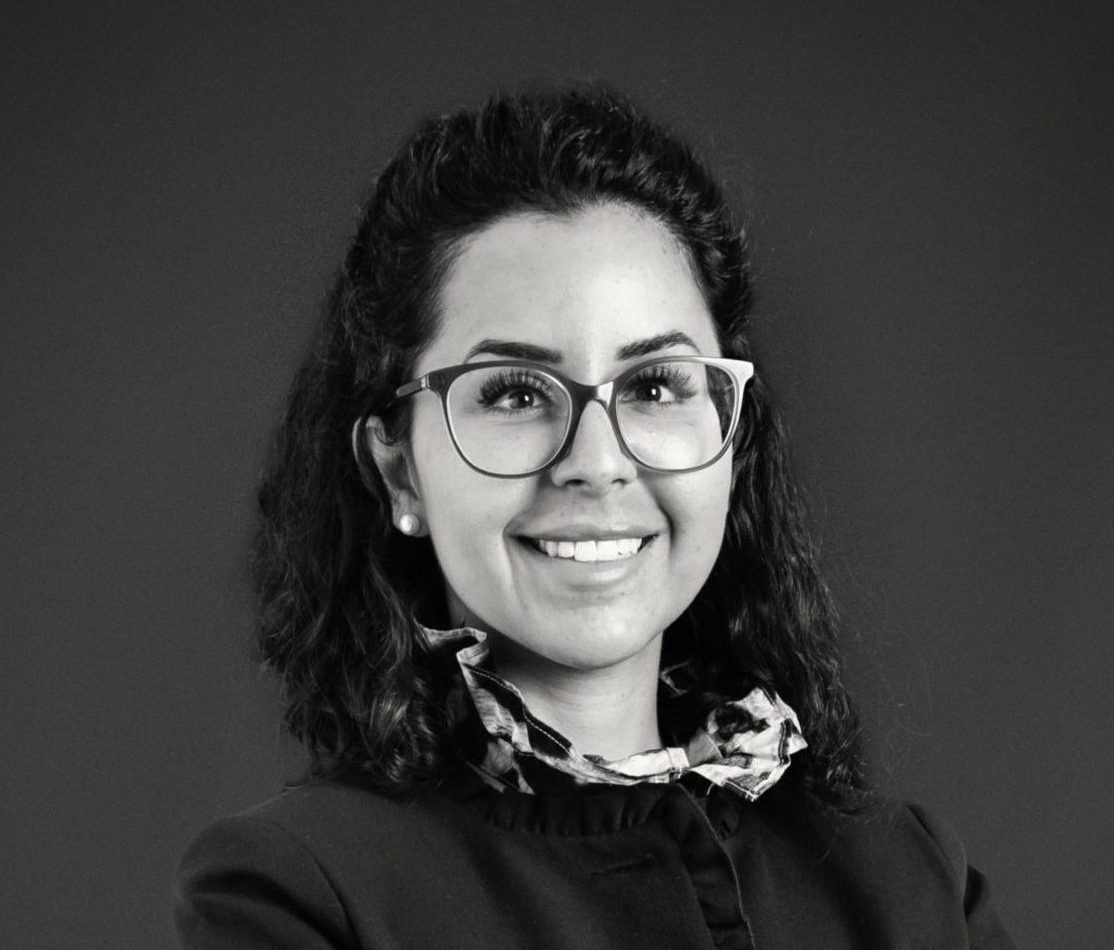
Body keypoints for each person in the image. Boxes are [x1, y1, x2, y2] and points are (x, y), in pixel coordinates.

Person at [175, 87, 1015, 949]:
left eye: (654, 386)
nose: (597, 461)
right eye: (514, 393)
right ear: (399, 472)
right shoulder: (294, 895)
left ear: (731, 438)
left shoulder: (914, 880)